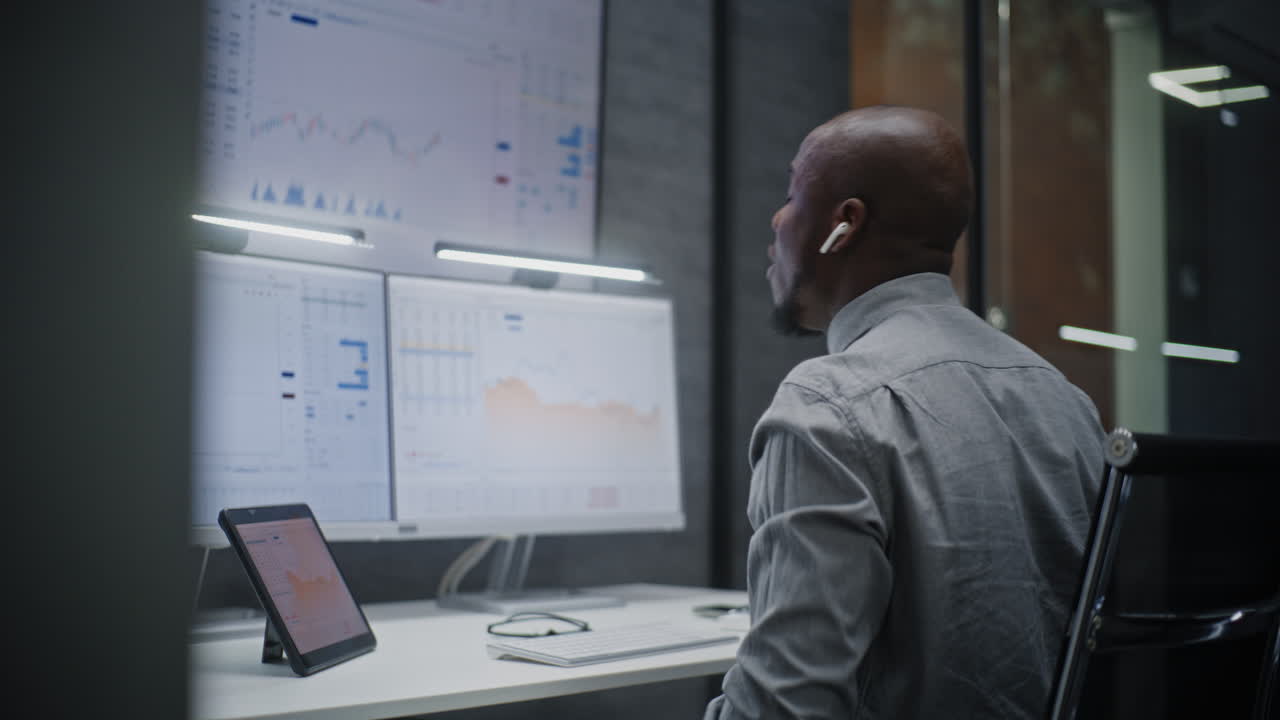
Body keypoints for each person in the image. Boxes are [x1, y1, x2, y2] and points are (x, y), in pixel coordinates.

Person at [703, 106, 1105, 719]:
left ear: (845, 224)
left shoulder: (831, 405)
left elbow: (782, 707)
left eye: (791, 195)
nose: (778, 219)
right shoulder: (1065, 401)